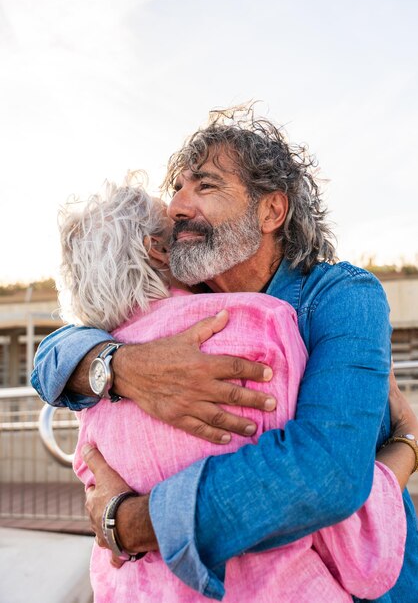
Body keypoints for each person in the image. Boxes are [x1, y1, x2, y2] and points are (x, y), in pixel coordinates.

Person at [32, 107, 418, 602]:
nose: (177, 206)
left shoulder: (341, 295)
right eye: (178, 188)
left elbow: (328, 474)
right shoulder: (180, 300)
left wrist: (131, 522)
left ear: (271, 211)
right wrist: (120, 365)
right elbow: (51, 357)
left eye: (206, 186)